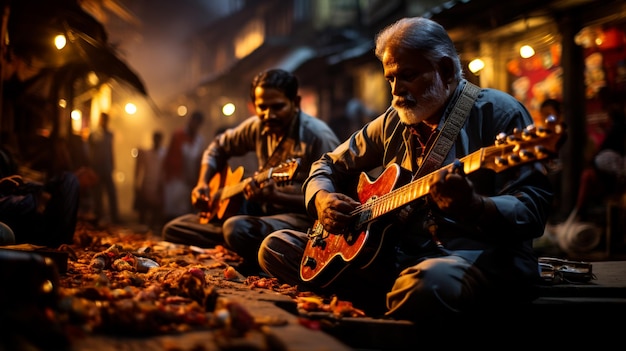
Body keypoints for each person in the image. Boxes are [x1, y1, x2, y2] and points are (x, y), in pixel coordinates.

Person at [258, 17, 554, 328]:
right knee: (276, 249)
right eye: (390, 79)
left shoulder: (501, 113)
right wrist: (321, 199)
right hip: (396, 256)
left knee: (427, 284)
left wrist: (477, 206)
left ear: (447, 70)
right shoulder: (392, 121)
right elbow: (326, 165)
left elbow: (532, 209)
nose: (397, 91)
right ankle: (383, 301)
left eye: (408, 76)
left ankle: (373, 303)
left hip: (469, 259)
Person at [162, 68, 341, 271]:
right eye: (261, 107)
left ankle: (254, 254)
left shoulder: (317, 136)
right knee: (175, 228)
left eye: (277, 107)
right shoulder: (257, 127)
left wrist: (278, 197)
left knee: (236, 228)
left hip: (301, 220)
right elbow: (216, 148)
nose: (268, 115)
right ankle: (242, 247)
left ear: (296, 103)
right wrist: (203, 183)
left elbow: (332, 202)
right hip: (261, 215)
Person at [162, 111, 206, 222]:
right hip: (175, 179)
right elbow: (170, 158)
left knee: (185, 211)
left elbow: (200, 160)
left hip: (191, 181)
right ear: (190, 121)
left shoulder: (200, 140)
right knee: (172, 209)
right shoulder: (177, 135)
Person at [88, 112, 120, 224]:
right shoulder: (94, 134)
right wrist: (90, 167)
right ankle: (98, 216)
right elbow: (90, 152)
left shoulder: (110, 134)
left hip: (107, 167)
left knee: (111, 192)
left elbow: (111, 150)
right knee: (97, 193)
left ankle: (114, 217)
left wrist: (112, 164)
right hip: (97, 168)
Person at [133, 131, 166, 232]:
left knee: (155, 214)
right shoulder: (147, 153)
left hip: (158, 185)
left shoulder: (164, 153)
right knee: (144, 212)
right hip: (147, 184)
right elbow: (139, 168)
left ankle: (153, 231)